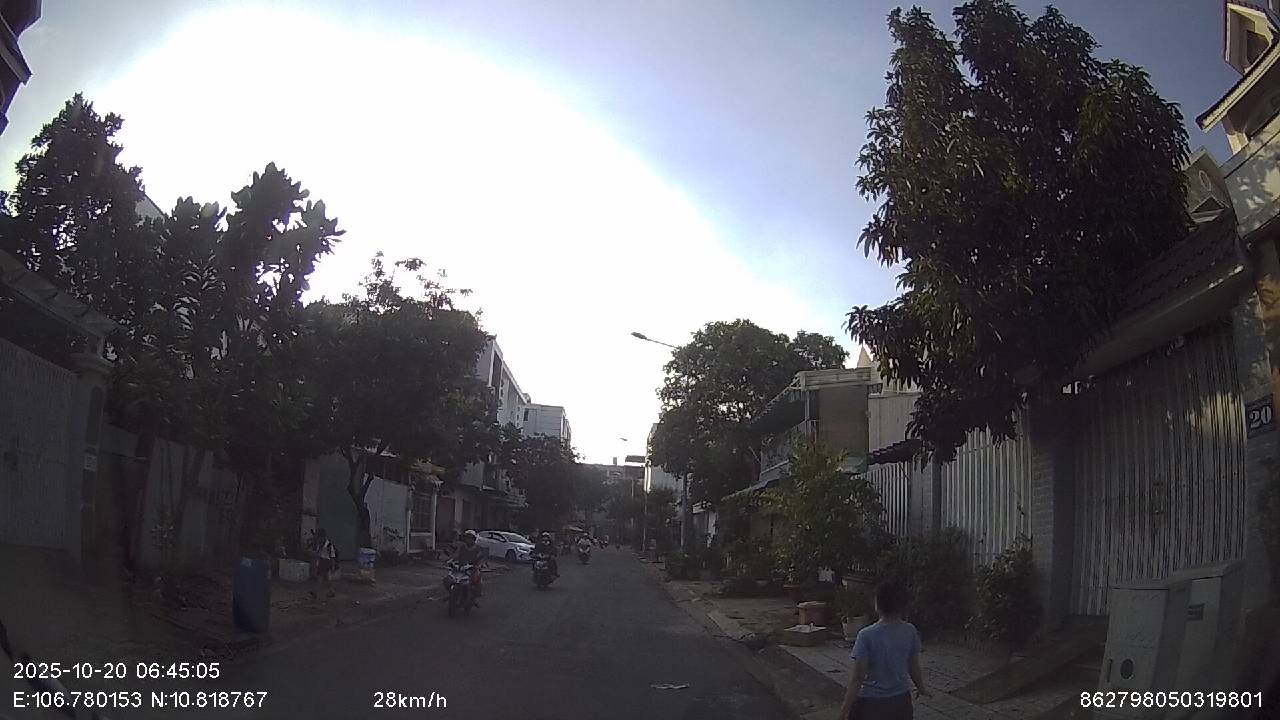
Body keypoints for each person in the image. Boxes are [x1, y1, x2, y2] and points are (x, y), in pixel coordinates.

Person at [838, 581, 931, 720]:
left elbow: (858, 677)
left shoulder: (866, 635)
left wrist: (844, 710)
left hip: (873, 703)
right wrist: (921, 687)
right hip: (901, 701)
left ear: (877, 604)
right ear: (902, 606)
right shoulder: (910, 630)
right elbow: (913, 666)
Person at [455, 530, 486, 599]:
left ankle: (477, 593)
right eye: (467, 538)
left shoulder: (478, 548)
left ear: (474, 539)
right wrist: (451, 560)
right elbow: (456, 556)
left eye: (470, 538)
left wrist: (478, 565)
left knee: (478, 579)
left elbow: (481, 559)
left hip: (473, 568)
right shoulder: (462, 547)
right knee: (449, 579)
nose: (468, 540)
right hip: (462, 568)